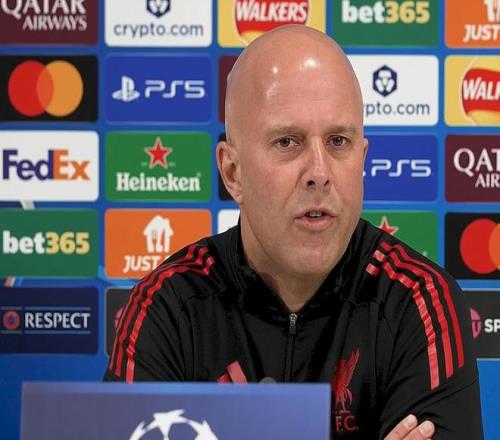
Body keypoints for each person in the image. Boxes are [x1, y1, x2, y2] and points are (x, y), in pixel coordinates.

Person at [105, 25, 483, 439]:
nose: (319, 172)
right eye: (288, 142)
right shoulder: (168, 307)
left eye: (338, 141)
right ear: (233, 172)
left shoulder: (419, 301)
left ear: (362, 159)